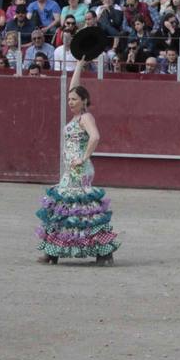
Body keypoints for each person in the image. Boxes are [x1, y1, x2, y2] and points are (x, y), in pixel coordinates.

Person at [36, 63, 119, 264]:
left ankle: (102, 252)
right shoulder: (77, 116)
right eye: (69, 99)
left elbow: (95, 137)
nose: (70, 102)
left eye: (74, 99)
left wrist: (83, 157)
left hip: (80, 170)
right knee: (63, 206)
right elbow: (74, 86)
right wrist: (79, 66)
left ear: (84, 101)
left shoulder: (85, 117)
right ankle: (53, 250)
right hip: (71, 170)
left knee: (82, 209)